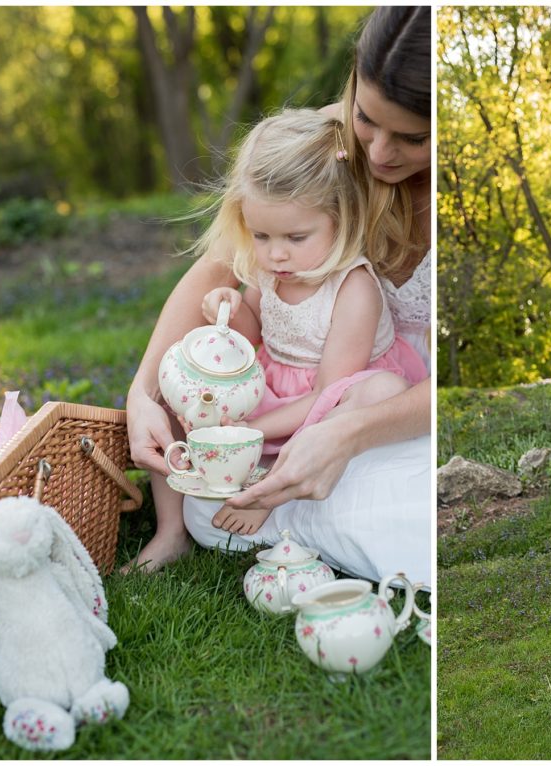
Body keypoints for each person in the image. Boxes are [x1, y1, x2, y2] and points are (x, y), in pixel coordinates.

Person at [125, 7, 431, 583]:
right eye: (365, 118)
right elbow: (221, 276)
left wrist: (261, 434)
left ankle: (275, 506)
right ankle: (183, 528)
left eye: (412, 137)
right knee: (198, 402)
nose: (379, 153)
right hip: (287, 385)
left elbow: (335, 390)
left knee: (394, 512)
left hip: (385, 397)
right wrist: (146, 390)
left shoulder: (351, 286)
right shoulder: (309, 155)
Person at [150, 107, 428, 539]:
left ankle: (272, 485)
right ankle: (169, 530)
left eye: (296, 238)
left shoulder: (354, 289)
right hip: (275, 391)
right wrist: (229, 310)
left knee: (380, 390)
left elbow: (329, 392)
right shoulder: (271, 271)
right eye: (261, 236)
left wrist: (249, 430)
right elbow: (255, 331)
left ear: (341, 220)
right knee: (183, 382)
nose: (276, 254)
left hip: (325, 406)